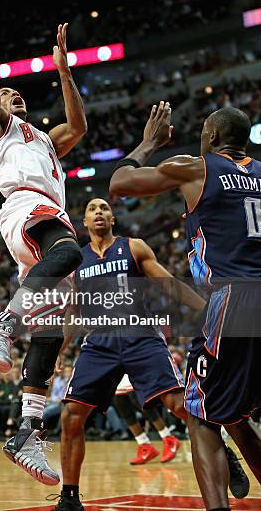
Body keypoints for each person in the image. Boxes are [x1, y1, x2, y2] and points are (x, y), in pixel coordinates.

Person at [0, 0, 87, 485]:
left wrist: (63, 71)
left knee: (50, 337)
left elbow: (78, 125)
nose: (12, 95)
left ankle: (27, 431)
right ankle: (3, 324)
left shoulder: (44, 138)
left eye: (14, 94)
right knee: (71, 250)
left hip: (41, 221)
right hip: (28, 207)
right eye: (8, 94)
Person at [109, 102, 260, 511]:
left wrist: (146, 144)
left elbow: (120, 184)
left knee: (200, 415)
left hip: (233, 298)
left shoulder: (197, 167)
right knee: (235, 412)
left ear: (210, 136)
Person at [54, 197, 249, 511]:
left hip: (140, 335)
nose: (99, 212)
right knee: (70, 416)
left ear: (113, 218)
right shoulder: (77, 260)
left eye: (104, 208)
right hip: (99, 342)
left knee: (180, 407)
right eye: (92, 209)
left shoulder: (134, 247)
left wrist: (209, 310)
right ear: (85, 223)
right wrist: (56, 353)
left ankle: (224, 451)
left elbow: (168, 284)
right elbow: (73, 313)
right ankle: (70, 497)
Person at [113, 374, 181, 464]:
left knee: (139, 401)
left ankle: (168, 438)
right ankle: (144, 444)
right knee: (121, 404)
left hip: (132, 365)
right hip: (115, 366)